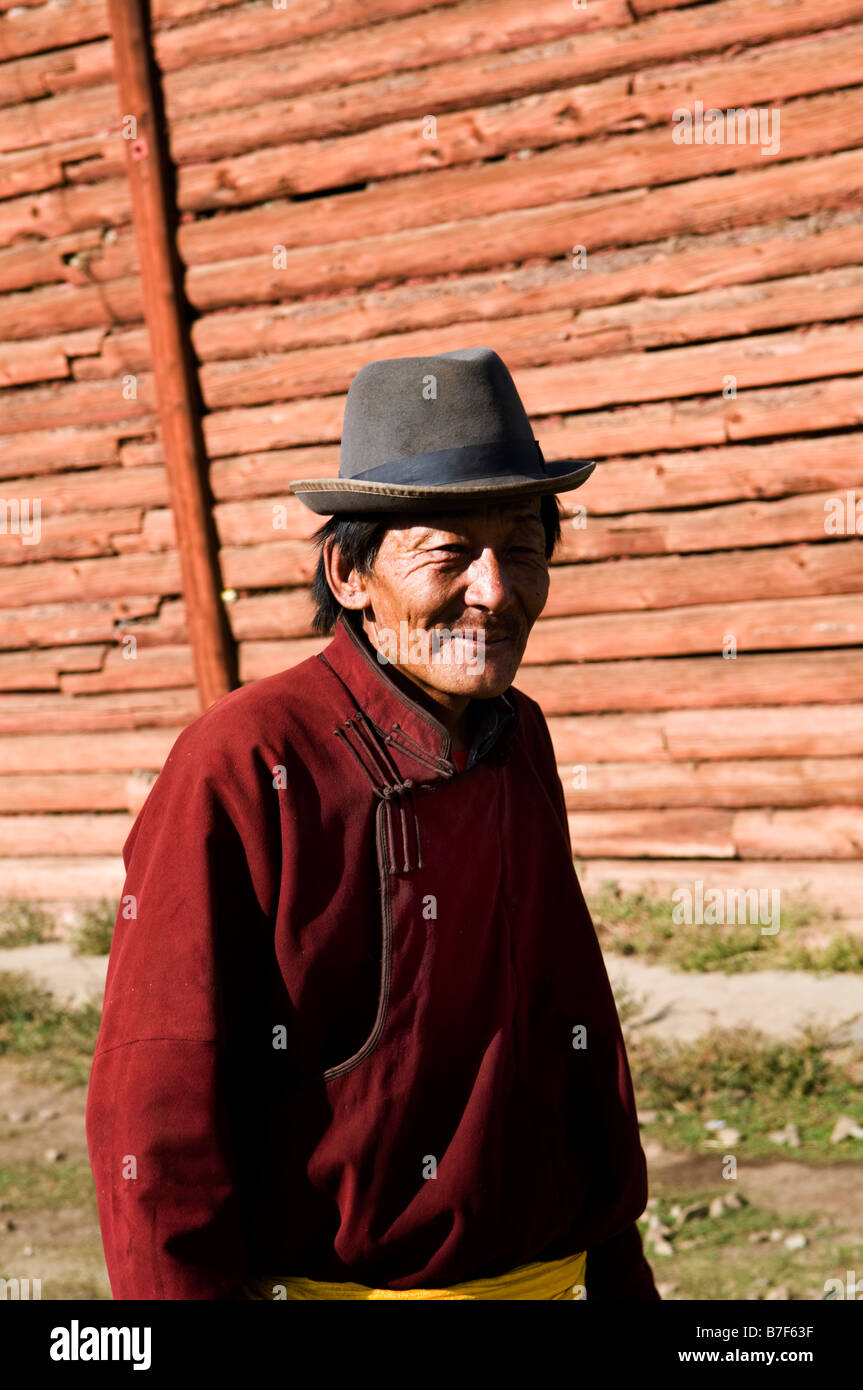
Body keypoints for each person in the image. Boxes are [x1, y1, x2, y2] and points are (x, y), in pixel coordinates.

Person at [86, 345, 659, 1300]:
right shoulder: (244, 762)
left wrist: (620, 1272)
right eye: (449, 553)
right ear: (348, 574)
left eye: (522, 547)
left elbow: (576, 1025)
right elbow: (158, 1111)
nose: (497, 589)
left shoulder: (518, 740)